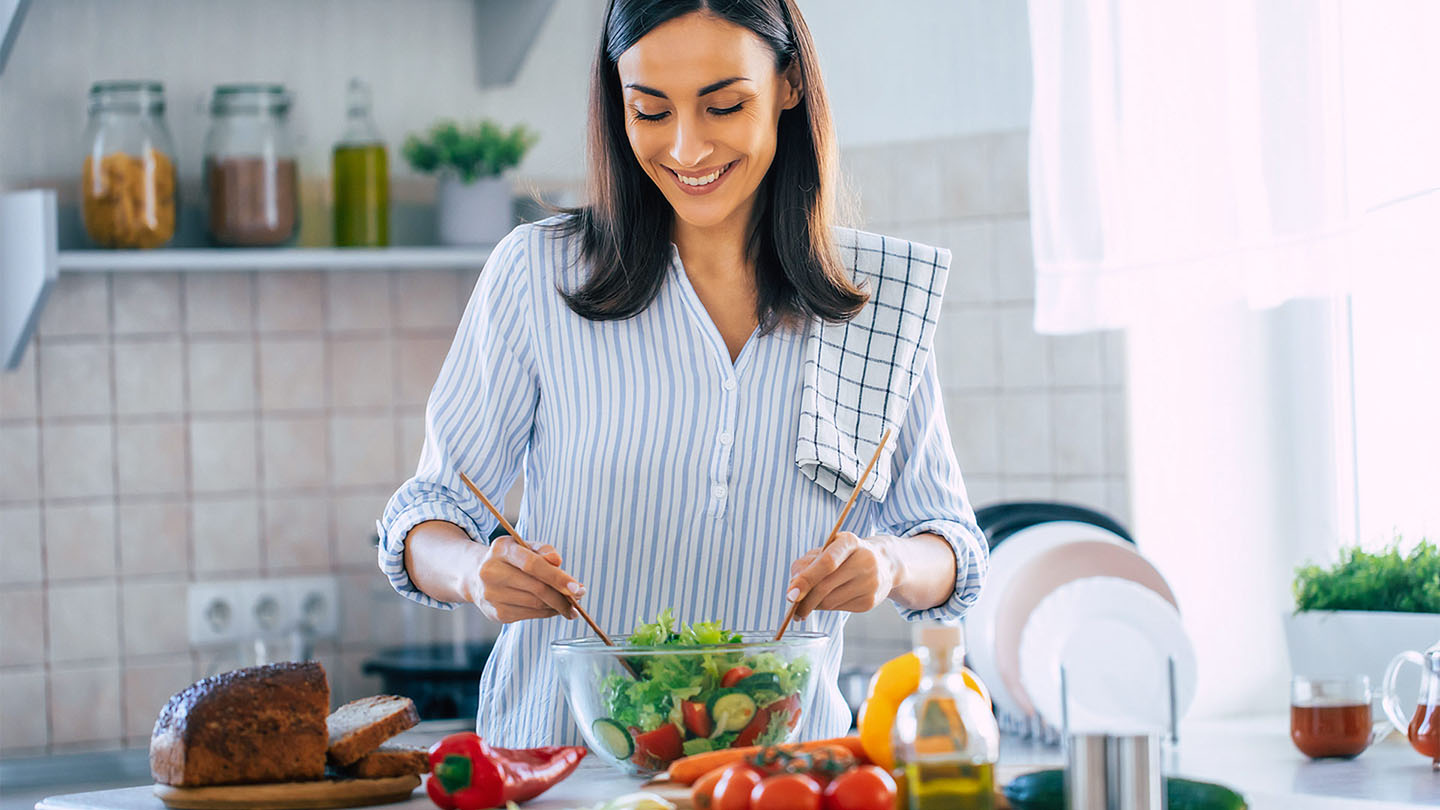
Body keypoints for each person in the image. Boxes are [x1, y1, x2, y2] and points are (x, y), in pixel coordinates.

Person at [378, 0, 987, 747]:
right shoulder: (538, 275)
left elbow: (951, 545)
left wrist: (890, 564)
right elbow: (425, 514)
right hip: (559, 774)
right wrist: (474, 571)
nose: (687, 148)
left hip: (780, 784)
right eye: (650, 111)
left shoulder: (875, 300)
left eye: (724, 105)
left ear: (789, 84)